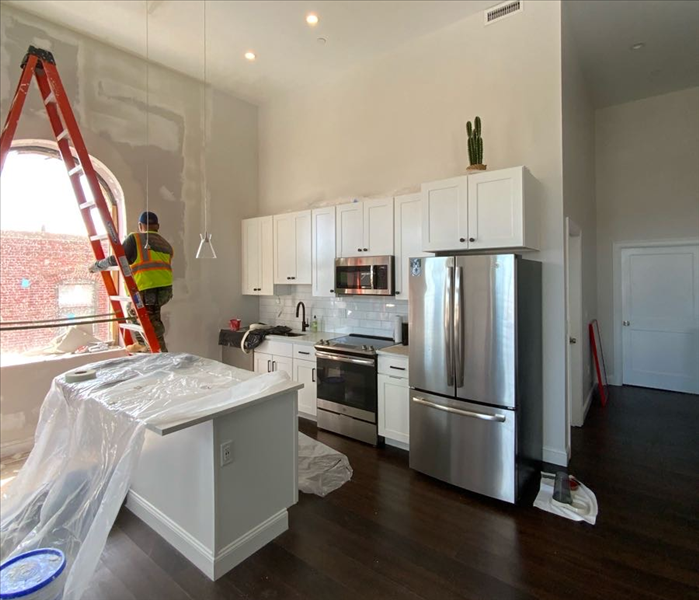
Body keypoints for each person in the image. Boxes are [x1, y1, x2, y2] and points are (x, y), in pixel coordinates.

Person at [90, 211, 174, 351]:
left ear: (140, 225)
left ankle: (160, 357)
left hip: (147, 289)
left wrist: (97, 266)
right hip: (165, 291)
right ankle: (144, 347)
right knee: (141, 315)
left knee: (151, 325)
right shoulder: (166, 245)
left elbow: (118, 258)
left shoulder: (135, 238)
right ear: (157, 226)